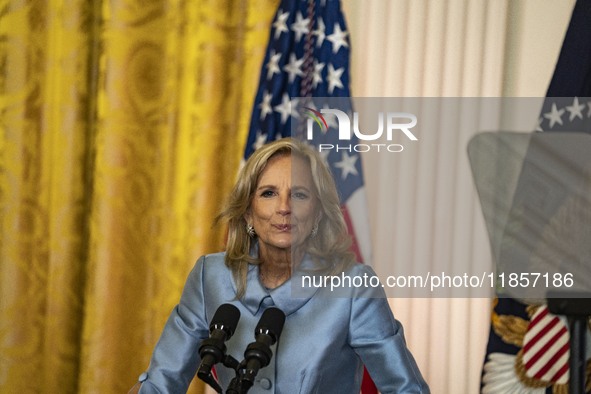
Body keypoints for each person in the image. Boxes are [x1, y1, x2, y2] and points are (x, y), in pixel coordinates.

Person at [133, 138, 429, 393]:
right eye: (268, 193)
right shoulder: (210, 277)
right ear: (248, 213)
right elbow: (162, 383)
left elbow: (405, 388)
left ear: (317, 213)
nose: (284, 207)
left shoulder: (354, 287)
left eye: (299, 194)